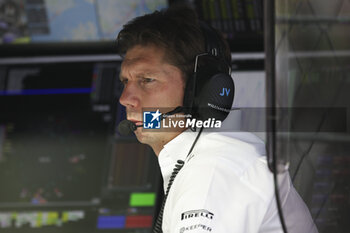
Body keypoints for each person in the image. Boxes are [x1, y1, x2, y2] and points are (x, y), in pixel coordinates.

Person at [116, 5, 318, 233]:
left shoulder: (214, 169)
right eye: (125, 82)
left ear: (200, 89)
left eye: (147, 80)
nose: (126, 99)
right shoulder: (198, 161)